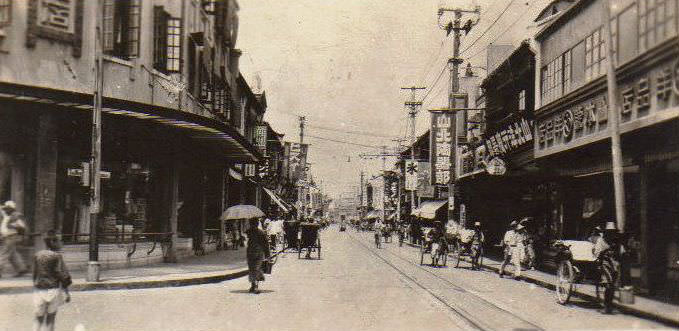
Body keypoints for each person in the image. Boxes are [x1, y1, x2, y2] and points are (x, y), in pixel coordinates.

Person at [33, 230, 71, 331]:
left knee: (38, 319)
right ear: (53, 242)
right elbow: (63, 276)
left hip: (39, 291)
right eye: (59, 241)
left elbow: (35, 274)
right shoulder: (57, 257)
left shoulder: (38, 255)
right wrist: (66, 293)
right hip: (53, 290)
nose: (61, 243)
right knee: (50, 319)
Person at [593, 221, 621, 314]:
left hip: (614, 264)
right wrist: (604, 253)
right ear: (606, 232)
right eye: (609, 232)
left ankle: (609, 306)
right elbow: (597, 253)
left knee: (612, 286)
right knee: (608, 285)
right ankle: (606, 306)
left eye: (612, 232)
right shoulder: (601, 241)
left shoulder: (615, 242)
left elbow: (619, 253)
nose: (611, 234)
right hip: (604, 263)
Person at [0, 200, 28, 277]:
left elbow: (22, 226)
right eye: (5, 208)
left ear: (12, 208)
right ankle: (21, 269)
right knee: (12, 254)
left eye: (7, 208)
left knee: (4, 253)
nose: (5, 210)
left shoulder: (16, 215)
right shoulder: (7, 215)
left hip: (11, 236)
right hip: (7, 236)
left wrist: (13, 225)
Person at [245, 218, 271, 294]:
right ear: (257, 224)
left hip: (250, 252)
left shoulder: (248, 231)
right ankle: (255, 286)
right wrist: (267, 255)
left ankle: (253, 285)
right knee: (257, 268)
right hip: (259, 252)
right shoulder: (261, 233)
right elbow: (265, 244)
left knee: (252, 269)